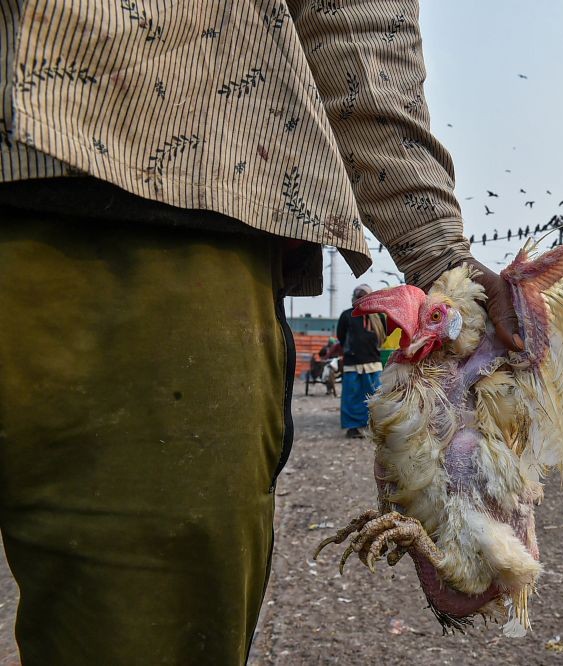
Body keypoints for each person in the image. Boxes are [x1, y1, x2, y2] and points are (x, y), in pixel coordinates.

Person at [0, 3, 521, 663]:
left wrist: (440, 252)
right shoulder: (359, 323)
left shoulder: (368, 329)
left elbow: (354, 21)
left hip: (160, 205)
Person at [337, 285, 386, 438]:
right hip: (353, 363)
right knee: (352, 396)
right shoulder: (347, 315)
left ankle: (376, 426)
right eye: (358, 295)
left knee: (375, 397)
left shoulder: (378, 317)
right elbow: (341, 336)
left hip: (373, 362)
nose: (360, 299)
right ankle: (353, 428)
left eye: (363, 295)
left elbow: (384, 336)